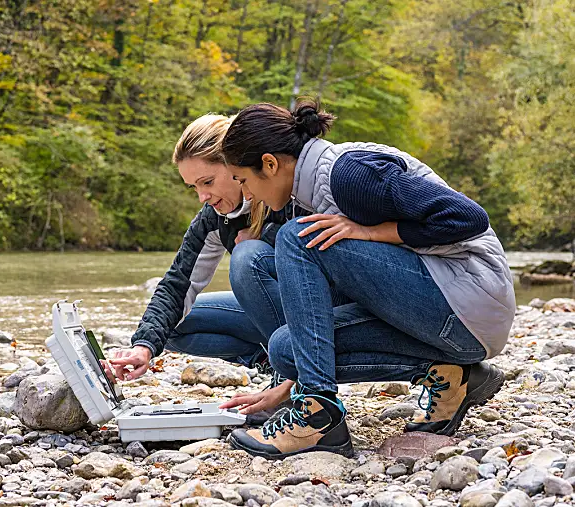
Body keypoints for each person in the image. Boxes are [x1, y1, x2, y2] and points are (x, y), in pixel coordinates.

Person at [218, 99, 514, 459]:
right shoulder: (307, 190)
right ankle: (456, 377)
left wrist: (370, 232)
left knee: (298, 237)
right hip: (447, 324)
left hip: (469, 302)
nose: (247, 194)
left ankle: (318, 415)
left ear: (269, 163)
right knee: (286, 349)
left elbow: (468, 217)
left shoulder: (349, 173)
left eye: (244, 181)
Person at [106, 114, 293, 398]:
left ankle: (290, 372)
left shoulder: (283, 191)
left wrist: (266, 238)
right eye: (194, 187)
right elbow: (177, 285)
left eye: (207, 182)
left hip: (314, 314)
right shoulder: (214, 218)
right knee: (172, 326)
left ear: (234, 164)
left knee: (247, 255)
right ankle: (264, 359)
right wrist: (142, 347)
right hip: (267, 312)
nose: (202, 196)